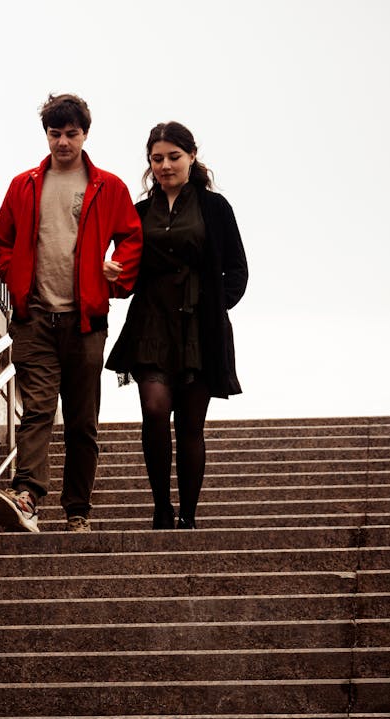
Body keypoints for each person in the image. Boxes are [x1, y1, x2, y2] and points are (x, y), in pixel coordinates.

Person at [0, 93, 142, 533]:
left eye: (71, 133)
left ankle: (78, 512)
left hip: (86, 321)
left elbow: (131, 238)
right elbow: (3, 244)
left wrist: (117, 273)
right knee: (37, 409)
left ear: (85, 134)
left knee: (81, 421)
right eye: (56, 134)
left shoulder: (108, 187)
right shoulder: (25, 185)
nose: (63, 142)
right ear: (47, 135)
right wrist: (15, 275)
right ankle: (28, 496)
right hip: (34, 318)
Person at [105, 121, 248, 529]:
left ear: (191, 157)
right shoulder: (139, 212)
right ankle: (160, 507)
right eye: (157, 158)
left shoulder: (215, 208)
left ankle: (188, 513)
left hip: (199, 329)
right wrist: (113, 274)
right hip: (150, 323)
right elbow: (126, 269)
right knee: (154, 409)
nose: (165, 165)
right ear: (149, 162)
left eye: (173, 157)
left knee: (189, 424)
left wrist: (216, 309)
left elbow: (237, 270)